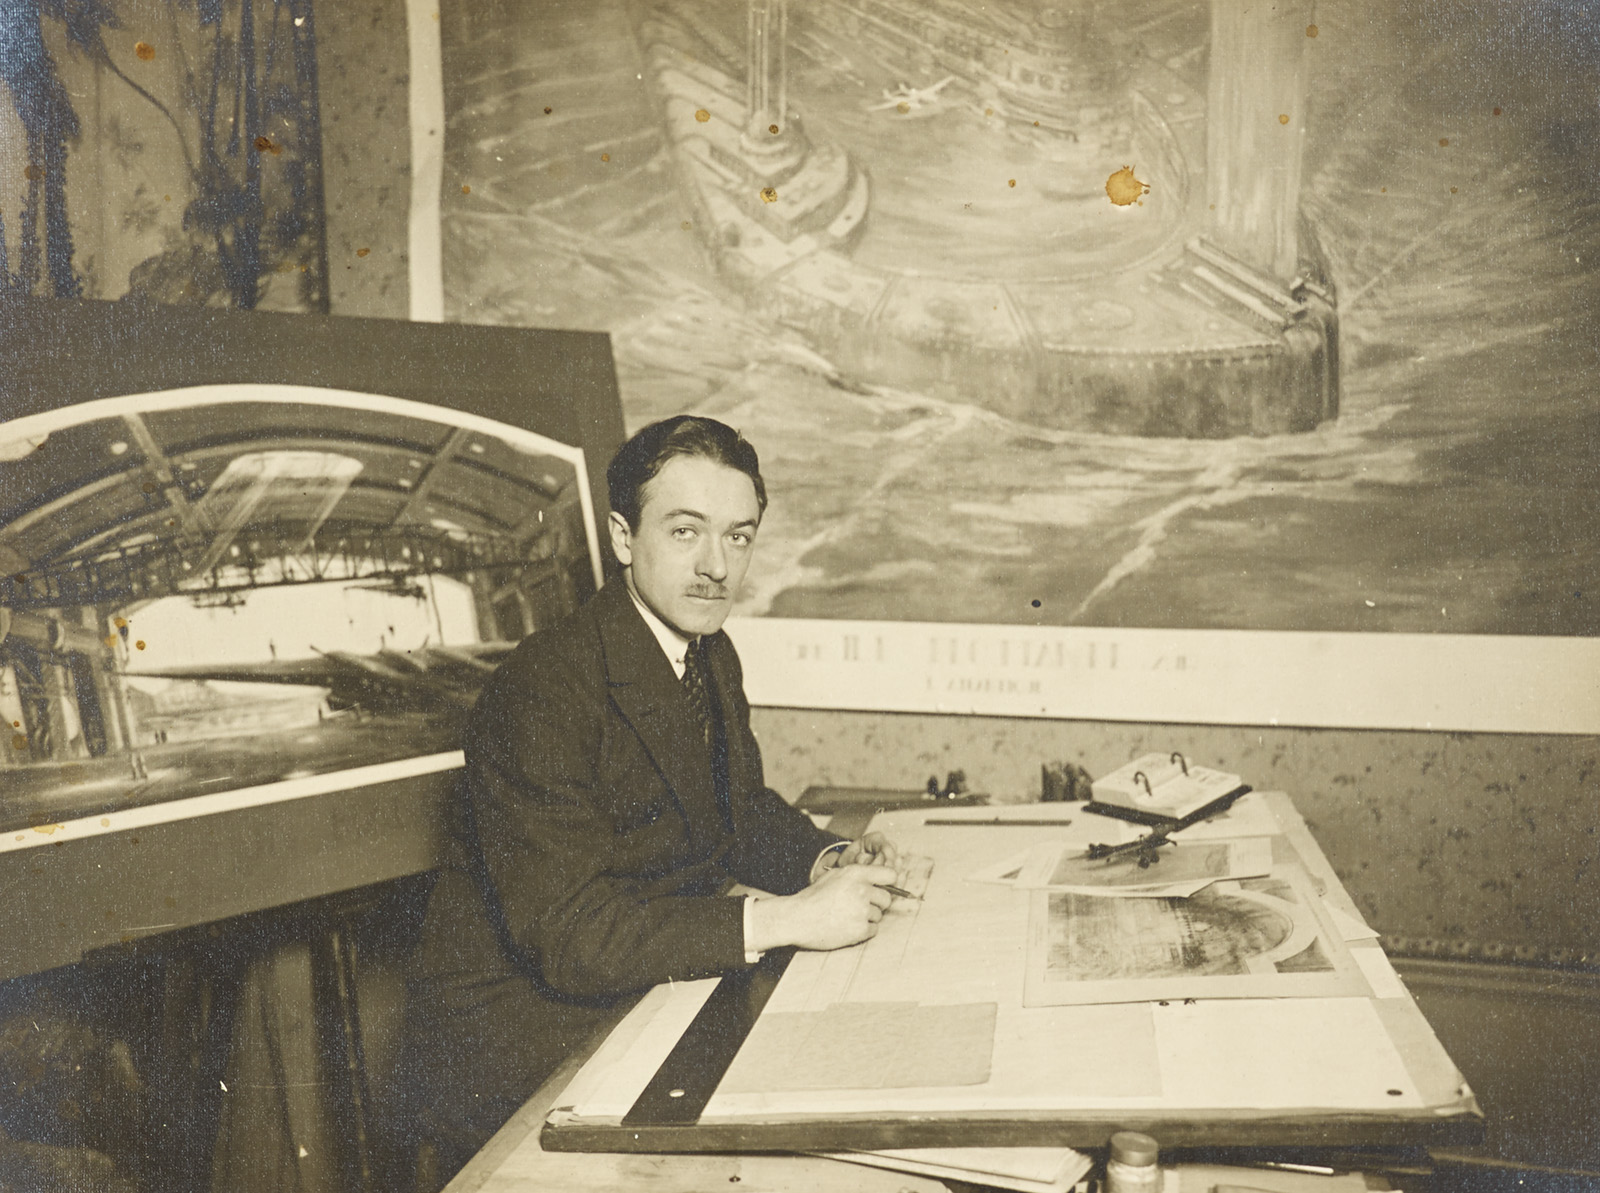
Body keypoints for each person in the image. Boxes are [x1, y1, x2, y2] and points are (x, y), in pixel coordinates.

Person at [401, 415, 902, 1186]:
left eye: (738, 537)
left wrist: (828, 858)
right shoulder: (539, 689)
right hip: (522, 1039)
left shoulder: (708, 649)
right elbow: (571, 936)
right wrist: (786, 919)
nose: (716, 567)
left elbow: (739, 809)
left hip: (641, 989)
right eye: (685, 531)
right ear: (624, 537)